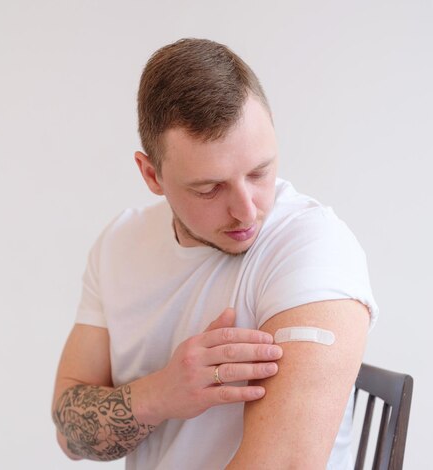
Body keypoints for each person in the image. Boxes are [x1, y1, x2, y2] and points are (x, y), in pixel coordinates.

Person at [51, 38, 378, 469]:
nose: (247, 210)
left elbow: (285, 465)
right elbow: (70, 435)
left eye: (259, 172)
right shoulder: (119, 245)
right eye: (209, 188)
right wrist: (161, 394)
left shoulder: (312, 248)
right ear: (152, 174)